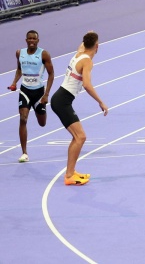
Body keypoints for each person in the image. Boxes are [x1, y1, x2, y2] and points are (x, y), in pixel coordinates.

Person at [50, 32, 108, 185]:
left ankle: (71, 172)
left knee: (77, 137)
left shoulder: (79, 53)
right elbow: (87, 85)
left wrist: (89, 36)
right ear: (97, 46)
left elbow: (84, 43)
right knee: (80, 137)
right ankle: (69, 176)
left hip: (60, 98)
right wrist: (100, 102)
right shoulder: (87, 61)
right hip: (62, 101)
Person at [8, 30, 55, 163]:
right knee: (23, 118)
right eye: (30, 39)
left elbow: (51, 74)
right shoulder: (20, 53)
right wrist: (14, 82)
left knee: (42, 123)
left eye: (34, 39)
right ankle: (24, 153)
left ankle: (40, 110)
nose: (32, 41)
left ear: (38, 41)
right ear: (26, 40)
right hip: (25, 91)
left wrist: (46, 95)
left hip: (39, 93)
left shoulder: (43, 54)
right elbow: (19, 69)